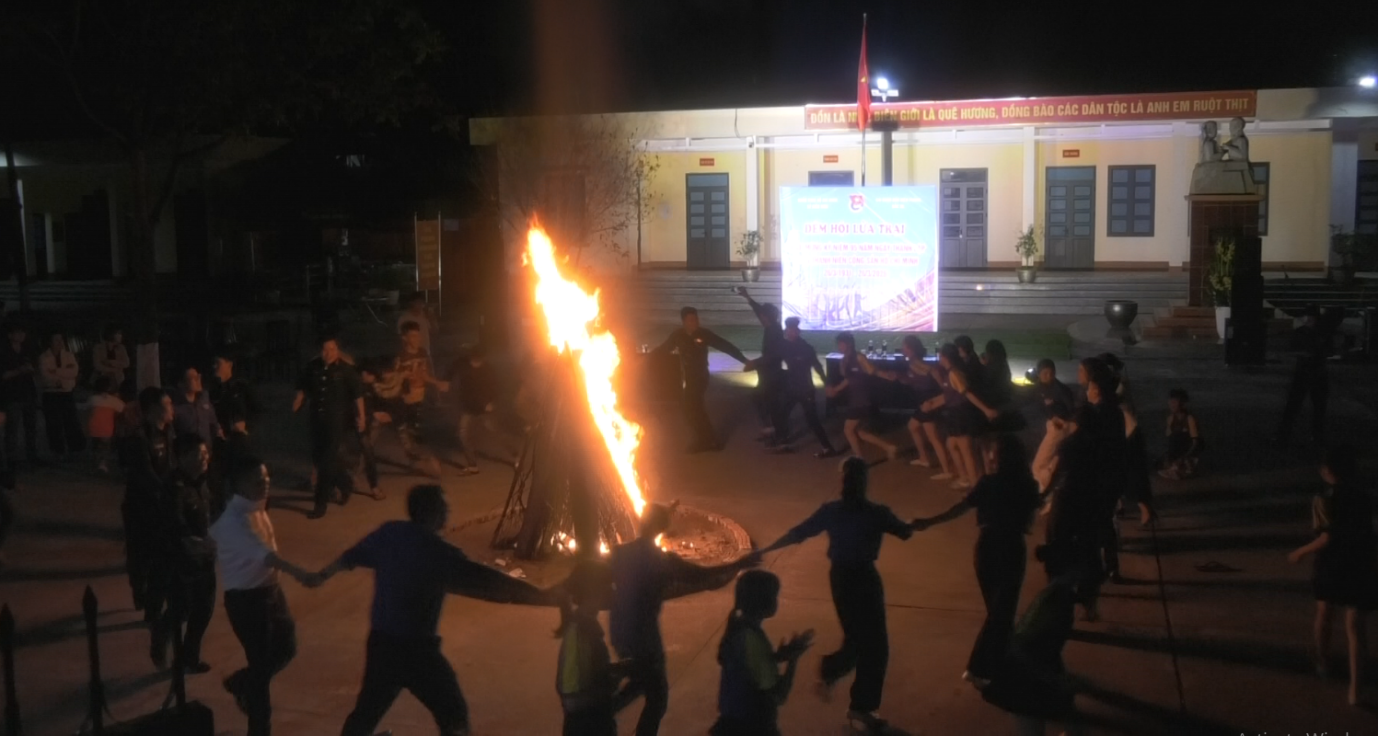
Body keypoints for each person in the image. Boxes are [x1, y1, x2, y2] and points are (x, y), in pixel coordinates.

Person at [307, 484, 552, 736]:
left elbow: (350, 557)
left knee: (365, 713)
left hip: (382, 646)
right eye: (444, 506)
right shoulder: (439, 554)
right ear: (433, 512)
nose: (449, 511)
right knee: (453, 713)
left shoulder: (389, 534)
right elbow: (491, 583)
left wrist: (321, 575)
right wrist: (543, 597)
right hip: (418, 652)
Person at [753, 458, 917, 732]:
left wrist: (766, 550)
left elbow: (799, 532)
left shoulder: (832, 511)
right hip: (865, 579)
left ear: (842, 481)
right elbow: (905, 532)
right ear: (864, 482)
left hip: (841, 579)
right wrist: (914, 524)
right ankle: (858, 702)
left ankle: (836, 676)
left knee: (856, 637)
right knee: (875, 645)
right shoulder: (876, 513)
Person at [609, 503, 756, 736]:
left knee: (642, 679)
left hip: (619, 630)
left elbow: (599, 582)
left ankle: (603, 708)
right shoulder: (662, 561)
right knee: (658, 697)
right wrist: (739, 563)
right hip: (645, 638)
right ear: (661, 529)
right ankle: (601, 712)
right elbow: (701, 574)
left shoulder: (619, 553)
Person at [914, 435, 1041, 686]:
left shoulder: (987, 482)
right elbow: (1029, 521)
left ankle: (999, 659)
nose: (990, 457)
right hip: (1011, 547)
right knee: (1001, 612)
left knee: (996, 611)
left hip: (987, 547)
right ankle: (979, 667)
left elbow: (960, 508)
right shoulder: (1029, 485)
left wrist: (929, 521)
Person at [210, 456, 313, 736]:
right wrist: (300, 573)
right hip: (247, 602)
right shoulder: (234, 520)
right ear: (238, 485)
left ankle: (241, 683)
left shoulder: (256, 507)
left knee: (287, 648)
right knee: (261, 673)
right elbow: (265, 555)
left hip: (271, 592)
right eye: (257, 480)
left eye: (266, 477)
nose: (265, 483)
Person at [1288, 445, 1377, 706]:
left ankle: (1323, 661)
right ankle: (1355, 690)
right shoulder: (1364, 497)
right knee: (1356, 629)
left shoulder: (1323, 499)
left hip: (1331, 565)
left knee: (1325, 612)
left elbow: (1326, 537)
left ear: (1327, 471)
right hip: (1360, 563)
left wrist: (1300, 552)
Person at [709, 570, 814, 736]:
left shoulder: (738, 628)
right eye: (775, 596)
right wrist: (793, 660)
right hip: (753, 726)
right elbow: (779, 695)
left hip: (730, 725)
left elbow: (749, 667)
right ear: (766, 602)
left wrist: (777, 657)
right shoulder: (753, 641)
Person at [152, 434, 217, 674]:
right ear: (182, 458)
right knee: (182, 609)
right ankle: (162, 633)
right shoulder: (174, 487)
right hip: (182, 560)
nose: (205, 459)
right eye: (199, 455)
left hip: (204, 556)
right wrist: (192, 542)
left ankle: (189, 658)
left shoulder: (203, 481)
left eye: (206, 453)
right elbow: (174, 523)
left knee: (204, 610)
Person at [651, 307, 754, 452]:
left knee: (692, 407)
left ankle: (707, 440)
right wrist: (646, 358)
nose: (695, 322)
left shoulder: (704, 334)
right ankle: (708, 439)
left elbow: (725, 346)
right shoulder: (678, 335)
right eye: (691, 320)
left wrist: (744, 360)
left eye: (696, 319)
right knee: (691, 408)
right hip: (687, 377)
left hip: (700, 376)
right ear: (684, 321)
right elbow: (663, 349)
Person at [554, 559, 632, 736]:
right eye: (608, 586)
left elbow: (584, 677)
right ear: (595, 592)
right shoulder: (587, 630)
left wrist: (621, 669)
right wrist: (626, 672)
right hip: (590, 724)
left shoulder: (576, 624)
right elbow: (597, 687)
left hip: (576, 722)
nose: (612, 591)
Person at [293, 336, 365, 519]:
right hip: (317, 419)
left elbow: (358, 395)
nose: (329, 353)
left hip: (336, 421)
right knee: (319, 458)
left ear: (337, 350)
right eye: (325, 350)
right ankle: (345, 483)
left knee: (325, 463)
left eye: (332, 349)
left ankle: (320, 503)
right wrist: (298, 400)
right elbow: (303, 386)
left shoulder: (346, 370)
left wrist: (361, 417)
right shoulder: (313, 367)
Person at [121, 388, 176, 623]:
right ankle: (140, 591)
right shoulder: (139, 438)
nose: (172, 408)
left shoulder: (168, 432)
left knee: (161, 553)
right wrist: (167, 490)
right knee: (141, 552)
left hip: (163, 503)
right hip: (141, 506)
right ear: (154, 409)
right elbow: (145, 473)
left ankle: (155, 600)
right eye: (168, 404)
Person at [920, 345, 999, 489]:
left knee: (966, 451)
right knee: (952, 445)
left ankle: (975, 485)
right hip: (955, 415)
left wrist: (986, 410)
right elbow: (949, 395)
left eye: (940, 356)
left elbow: (967, 394)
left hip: (961, 415)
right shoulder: (949, 373)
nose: (939, 359)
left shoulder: (954, 373)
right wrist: (932, 403)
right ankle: (965, 478)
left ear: (945, 357)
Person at [880, 335, 953, 476]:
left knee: (933, 437)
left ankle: (947, 470)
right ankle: (924, 458)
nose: (902, 350)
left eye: (905, 347)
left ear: (912, 349)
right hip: (923, 401)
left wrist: (941, 390)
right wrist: (899, 377)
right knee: (913, 426)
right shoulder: (912, 363)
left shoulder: (915, 362)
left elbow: (932, 372)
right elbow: (914, 380)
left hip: (927, 402)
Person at [444, 344, 519, 474]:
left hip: (484, 408)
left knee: (497, 433)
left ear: (482, 359)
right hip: (468, 407)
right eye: (473, 361)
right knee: (463, 434)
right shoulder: (463, 364)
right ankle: (473, 465)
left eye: (478, 361)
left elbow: (496, 388)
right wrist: (446, 381)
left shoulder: (487, 370)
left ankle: (516, 455)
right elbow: (451, 370)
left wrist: (492, 403)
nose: (475, 363)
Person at [825, 332, 897, 463]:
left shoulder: (859, 357)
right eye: (838, 344)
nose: (839, 346)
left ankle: (859, 459)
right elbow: (848, 380)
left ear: (849, 344)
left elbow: (872, 371)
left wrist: (886, 375)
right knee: (860, 432)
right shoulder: (843, 361)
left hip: (863, 398)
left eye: (841, 343)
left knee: (848, 430)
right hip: (854, 399)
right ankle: (888, 447)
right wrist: (835, 390)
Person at [776, 317, 841, 458]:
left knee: (812, 419)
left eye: (793, 330)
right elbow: (776, 362)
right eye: (788, 330)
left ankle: (827, 448)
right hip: (792, 388)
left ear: (797, 331)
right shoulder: (784, 346)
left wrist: (826, 383)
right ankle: (783, 441)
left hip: (806, 389)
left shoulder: (806, 348)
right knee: (781, 413)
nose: (790, 333)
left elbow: (817, 366)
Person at [390, 322, 443, 477]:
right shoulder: (400, 358)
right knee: (407, 435)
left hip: (419, 398)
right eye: (413, 336)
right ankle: (424, 463)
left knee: (416, 434)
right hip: (405, 401)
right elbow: (394, 380)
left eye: (418, 335)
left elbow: (423, 374)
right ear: (405, 338)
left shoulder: (422, 353)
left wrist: (436, 383)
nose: (417, 339)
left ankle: (421, 463)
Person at [735, 287, 787, 448]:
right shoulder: (772, 326)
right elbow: (759, 310)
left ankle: (778, 435)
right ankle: (770, 430)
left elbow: (773, 355)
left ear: (766, 317)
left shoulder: (774, 332)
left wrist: (754, 363)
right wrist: (747, 297)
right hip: (766, 373)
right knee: (759, 399)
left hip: (772, 374)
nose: (760, 317)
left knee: (770, 404)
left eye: (762, 315)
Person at [1277, 304, 1334, 448]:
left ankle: (1313, 436)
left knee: (1316, 407)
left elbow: (1330, 350)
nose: (1308, 319)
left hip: (1315, 372)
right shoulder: (1306, 332)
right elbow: (1290, 350)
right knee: (1295, 406)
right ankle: (1284, 436)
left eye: (1310, 317)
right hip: (1306, 372)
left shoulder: (1320, 333)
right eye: (1306, 317)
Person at [38, 332, 83, 460]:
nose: (60, 342)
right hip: (50, 393)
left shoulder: (69, 355)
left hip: (67, 392)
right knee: (54, 423)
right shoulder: (43, 357)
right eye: (56, 340)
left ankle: (75, 449)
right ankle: (58, 450)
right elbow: (45, 376)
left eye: (61, 339)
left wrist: (56, 372)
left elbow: (74, 372)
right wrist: (64, 376)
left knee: (71, 421)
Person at [0, 323, 38, 468]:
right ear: (10, 335)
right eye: (18, 332)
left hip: (28, 393)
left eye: (23, 332)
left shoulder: (26, 350)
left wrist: (30, 371)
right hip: (12, 395)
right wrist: (20, 370)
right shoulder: (4, 352)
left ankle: (32, 456)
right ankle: (12, 459)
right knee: (12, 429)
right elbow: (3, 375)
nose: (21, 335)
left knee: (31, 427)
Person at [209, 350, 259, 432]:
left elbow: (257, 412)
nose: (214, 366)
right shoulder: (213, 391)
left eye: (218, 363)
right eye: (213, 363)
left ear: (229, 365)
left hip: (240, 436)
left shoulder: (241, 387)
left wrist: (245, 424)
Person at [1160, 388, 1203, 481]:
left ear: (1183, 404)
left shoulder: (1190, 419)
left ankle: (1184, 468)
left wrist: (1183, 457)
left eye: (1174, 402)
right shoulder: (1170, 419)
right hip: (1177, 453)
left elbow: (1195, 443)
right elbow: (1170, 441)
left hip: (1189, 453)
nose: (1171, 404)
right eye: (1170, 401)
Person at [173, 367, 223, 446]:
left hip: (207, 449)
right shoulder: (176, 408)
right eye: (192, 378)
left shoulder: (204, 401)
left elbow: (213, 423)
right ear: (182, 383)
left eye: (198, 377)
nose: (197, 380)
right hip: (189, 450)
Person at [87, 375, 126, 474]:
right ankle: (102, 464)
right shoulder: (114, 401)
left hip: (93, 428)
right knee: (105, 447)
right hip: (107, 429)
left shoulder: (93, 399)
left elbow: (86, 407)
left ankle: (94, 463)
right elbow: (123, 408)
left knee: (95, 446)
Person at [397, 292, 437, 368]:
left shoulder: (425, 316)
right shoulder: (404, 318)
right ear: (411, 303)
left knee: (428, 371)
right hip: (411, 354)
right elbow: (402, 338)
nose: (420, 306)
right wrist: (406, 353)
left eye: (422, 303)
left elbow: (434, 331)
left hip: (425, 351)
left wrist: (431, 318)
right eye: (418, 303)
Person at [92, 326, 131, 390]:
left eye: (120, 334)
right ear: (111, 334)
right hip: (102, 378)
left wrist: (110, 362)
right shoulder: (98, 348)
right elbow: (97, 365)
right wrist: (113, 370)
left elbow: (126, 363)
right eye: (118, 333)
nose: (121, 336)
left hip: (118, 378)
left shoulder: (121, 348)